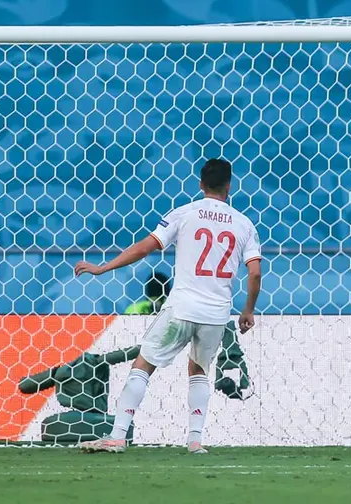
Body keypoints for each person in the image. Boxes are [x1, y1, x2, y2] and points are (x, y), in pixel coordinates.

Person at [74, 158, 262, 454]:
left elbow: (144, 247)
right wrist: (248, 310)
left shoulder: (185, 213)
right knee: (199, 370)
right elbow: (255, 272)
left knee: (143, 364)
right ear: (229, 186)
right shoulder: (244, 224)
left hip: (182, 307)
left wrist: (103, 267)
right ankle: (195, 441)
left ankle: (118, 436)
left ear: (201, 184)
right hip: (216, 314)